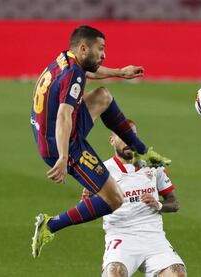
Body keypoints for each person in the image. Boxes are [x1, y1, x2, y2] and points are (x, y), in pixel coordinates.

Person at [30, 25, 171, 258]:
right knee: (114, 199)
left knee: (102, 96)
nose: (104, 54)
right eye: (101, 48)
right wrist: (64, 157)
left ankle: (141, 150)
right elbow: (64, 115)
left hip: (52, 131)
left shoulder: (66, 59)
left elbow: (88, 72)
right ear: (84, 47)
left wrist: (119, 72)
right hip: (62, 142)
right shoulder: (73, 72)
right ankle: (49, 225)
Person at [81, 120, 186, 277]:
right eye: (122, 136)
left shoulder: (153, 166)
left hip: (154, 237)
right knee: (115, 273)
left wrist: (158, 204)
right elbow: (85, 209)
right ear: (112, 140)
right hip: (121, 237)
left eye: (132, 136)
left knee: (178, 274)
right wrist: (87, 201)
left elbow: (174, 203)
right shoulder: (102, 171)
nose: (128, 141)